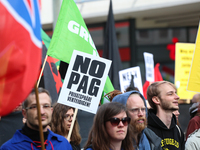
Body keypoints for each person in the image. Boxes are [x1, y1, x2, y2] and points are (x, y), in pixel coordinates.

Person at [0, 87, 72, 150]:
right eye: (34, 107)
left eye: (46, 106)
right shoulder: (10, 148)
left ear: (51, 111)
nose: (42, 112)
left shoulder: (63, 144)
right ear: (24, 113)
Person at [147, 81, 185, 150]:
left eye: (175, 93)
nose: (177, 97)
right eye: (170, 94)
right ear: (156, 99)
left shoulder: (178, 130)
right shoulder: (146, 131)